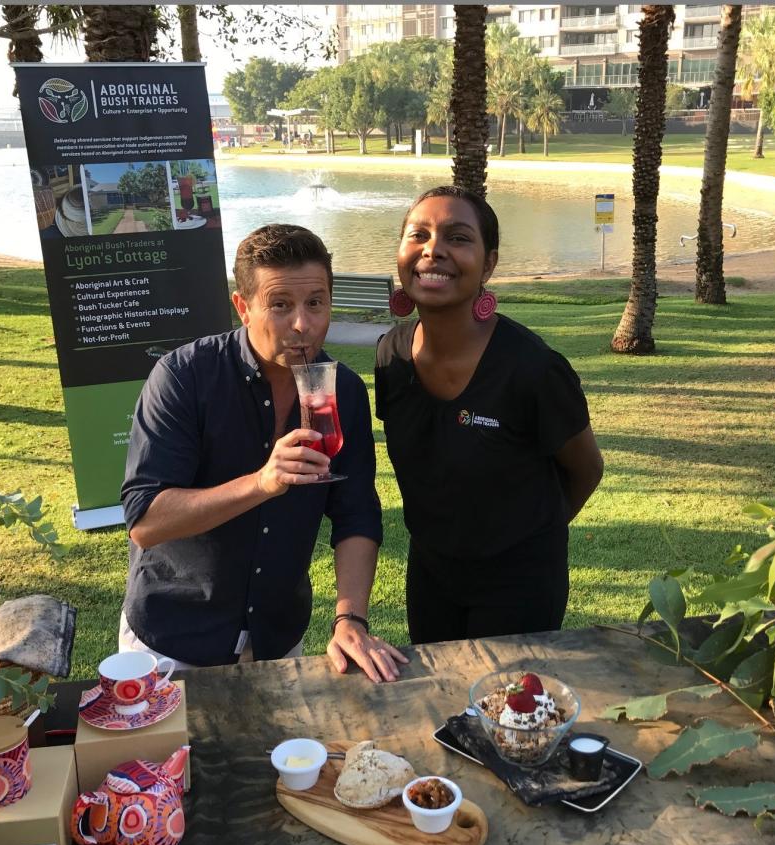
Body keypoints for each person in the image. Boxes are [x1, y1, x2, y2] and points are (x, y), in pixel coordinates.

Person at [120, 224, 408, 683]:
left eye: (315, 303)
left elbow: (356, 514)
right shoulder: (184, 378)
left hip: (277, 638)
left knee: (274, 756)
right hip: (173, 640)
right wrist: (262, 483)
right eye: (280, 305)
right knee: (174, 758)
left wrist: (350, 619)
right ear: (243, 307)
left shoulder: (342, 393)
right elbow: (146, 522)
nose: (302, 324)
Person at [375, 186, 604, 643]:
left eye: (458, 238)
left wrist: (525, 542)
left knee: (505, 709)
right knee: (442, 701)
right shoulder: (391, 357)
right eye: (417, 235)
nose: (433, 250)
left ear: (490, 263)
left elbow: (586, 471)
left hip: (518, 585)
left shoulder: (532, 369)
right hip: (430, 574)